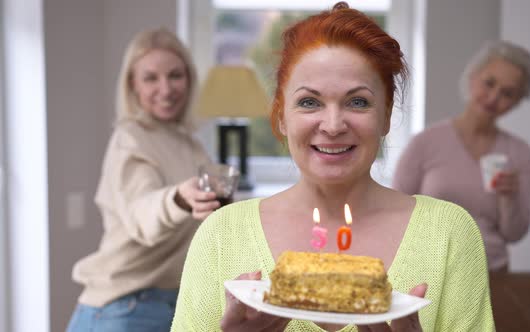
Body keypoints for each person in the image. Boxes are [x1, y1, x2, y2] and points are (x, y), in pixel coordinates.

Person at [171, 2, 495, 331]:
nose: (333, 124)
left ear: (385, 116)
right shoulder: (222, 235)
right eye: (309, 102)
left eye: (358, 102)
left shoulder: (448, 234)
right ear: (282, 117)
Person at [66, 28, 221, 332]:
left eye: (175, 75)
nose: (166, 89)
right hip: (125, 306)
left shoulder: (191, 144)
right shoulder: (130, 139)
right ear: (133, 85)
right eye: (151, 78)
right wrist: (178, 197)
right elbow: (141, 213)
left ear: (189, 79)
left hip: (172, 303)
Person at [392, 40, 530, 273]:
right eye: (489, 83)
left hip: (492, 274)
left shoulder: (519, 153)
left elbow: (514, 234)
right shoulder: (426, 143)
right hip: (430, 271)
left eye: (508, 93)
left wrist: (508, 198)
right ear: (472, 77)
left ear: (518, 101)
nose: (493, 97)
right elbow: (395, 212)